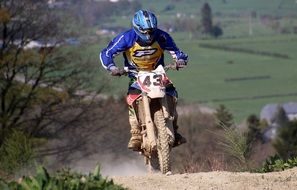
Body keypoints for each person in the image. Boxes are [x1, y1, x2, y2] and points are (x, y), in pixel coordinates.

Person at [100, 10, 188, 150]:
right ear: (137, 28)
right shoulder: (126, 38)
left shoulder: (162, 36)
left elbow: (177, 52)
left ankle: (175, 130)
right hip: (135, 74)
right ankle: (135, 133)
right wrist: (112, 67)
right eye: (145, 31)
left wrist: (180, 60)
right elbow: (106, 53)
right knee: (131, 98)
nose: (148, 35)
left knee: (172, 94)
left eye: (151, 31)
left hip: (158, 72)